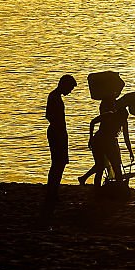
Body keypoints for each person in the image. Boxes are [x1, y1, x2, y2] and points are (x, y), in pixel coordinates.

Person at [79, 97, 134, 187]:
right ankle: (97, 188)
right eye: (123, 118)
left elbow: (126, 137)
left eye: (125, 119)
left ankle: (118, 186)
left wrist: (130, 151)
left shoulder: (123, 121)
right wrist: (90, 138)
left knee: (116, 166)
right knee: (100, 166)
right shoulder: (109, 115)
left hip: (110, 142)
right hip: (98, 141)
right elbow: (92, 122)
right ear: (118, 114)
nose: (123, 120)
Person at [44, 74, 77, 207]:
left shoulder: (55, 97)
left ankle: (53, 192)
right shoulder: (54, 97)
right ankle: (52, 192)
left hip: (59, 132)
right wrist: (59, 128)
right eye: (70, 88)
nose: (70, 91)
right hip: (56, 132)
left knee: (59, 163)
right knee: (58, 163)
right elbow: (49, 116)